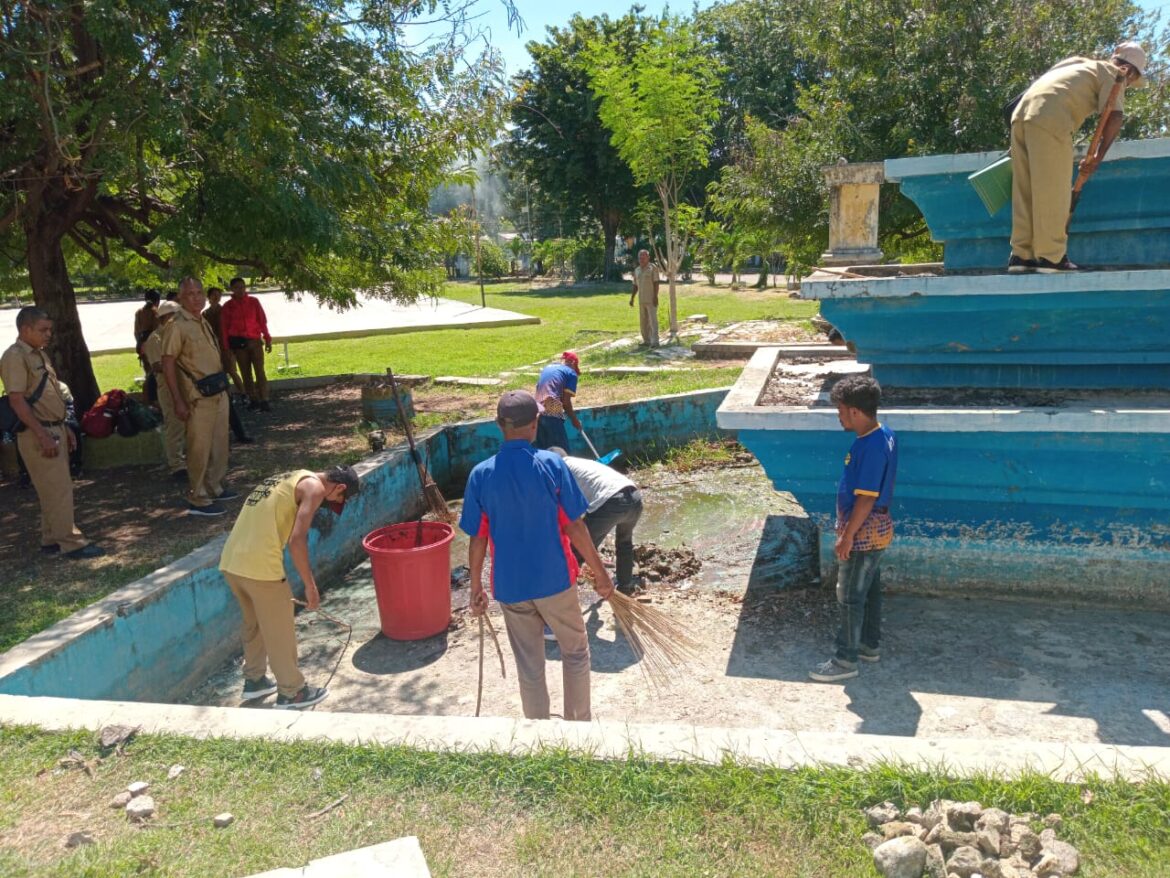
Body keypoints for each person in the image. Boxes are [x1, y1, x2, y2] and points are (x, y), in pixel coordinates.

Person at [461, 390, 615, 721]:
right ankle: (577, 725)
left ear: (499, 425)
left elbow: (478, 539)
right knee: (575, 653)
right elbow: (575, 527)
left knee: (529, 665)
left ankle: (539, 730)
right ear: (536, 424)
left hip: (510, 587)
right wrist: (601, 574)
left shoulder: (480, 475)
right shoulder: (551, 465)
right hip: (555, 580)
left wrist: (476, 587)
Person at [219, 464, 360, 709]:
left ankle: (254, 681)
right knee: (280, 630)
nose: (333, 502)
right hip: (260, 566)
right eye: (339, 498)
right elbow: (297, 539)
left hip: (232, 562)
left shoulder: (288, 476)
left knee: (255, 624)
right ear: (340, 487)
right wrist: (310, 585)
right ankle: (293, 692)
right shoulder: (314, 488)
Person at [1008, 42, 1146, 274]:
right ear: (1130, 71)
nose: (1129, 85)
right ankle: (1052, 257)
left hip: (1021, 115)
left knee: (1025, 189)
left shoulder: (1079, 63)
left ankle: (1021, 256)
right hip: (1051, 117)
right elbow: (1114, 117)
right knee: (1053, 189)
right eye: (1132, 81)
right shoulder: (1117, 74)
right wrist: (1098, 157)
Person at [810, 375, 898, 683]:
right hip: (877, 526)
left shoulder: (871, 446)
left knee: (848, 595)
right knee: (868, 589)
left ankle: (844, 659)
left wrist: (847, 537)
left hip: (864, 529)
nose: (839, 416)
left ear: (856, 412)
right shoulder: (884, 434)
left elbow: (865, 499)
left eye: (841, 410)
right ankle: (868, 645)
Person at [0, 307, 104, 559]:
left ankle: (50, 538)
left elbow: (52, 393)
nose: (48, 334)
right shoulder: (15, 357)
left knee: (53, 488)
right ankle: (71, 541)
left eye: (49, 329)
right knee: (58, 490)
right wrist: (43, 434)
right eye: (42, 330)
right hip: (38, 432)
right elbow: (16, 400)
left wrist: (64, 426)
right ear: (25, 329)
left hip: (53, 427)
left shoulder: (38, 355)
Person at [161, 276, 235, 516]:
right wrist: (178, 400)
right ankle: (198, 496)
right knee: (199, 447)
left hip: (217, 391)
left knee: (219, 442)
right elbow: (168, 363)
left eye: (199, 292)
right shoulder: (177, 325)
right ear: (181, 298)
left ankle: (215, 485)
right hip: (197, 396)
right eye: (190, 294)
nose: (197, 298)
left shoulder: (201, 321)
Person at [550, 447, 643, 595]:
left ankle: (565, 592)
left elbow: (569, 515)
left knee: (579, 548)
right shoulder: (582, 464)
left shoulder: (561, 469)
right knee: (624, 543)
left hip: (611, 501)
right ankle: (625, 587)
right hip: (635, 497)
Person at [143, 300, 186, 480]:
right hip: (168, 387)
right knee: (174, 425)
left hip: (184, 385)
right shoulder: (155, 338)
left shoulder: (178, 333)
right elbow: (157, 366)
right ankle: (176, 464)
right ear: (166, 317)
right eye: (176, 315)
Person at [219, 277, 272, 412]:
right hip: (239, 343)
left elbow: (262, 321)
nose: (240, 290)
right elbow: (224, 328)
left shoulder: (254, 302)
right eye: (237, 287)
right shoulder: (228, 306)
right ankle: (253, 399)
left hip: (254, 341)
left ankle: (264, 399)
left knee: (260, 371)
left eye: (242, 287)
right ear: (232, 289)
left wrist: (267, 338)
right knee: (245, 373)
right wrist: (227, 347)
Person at [203, 286, 246, 398]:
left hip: (226, 346)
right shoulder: (204, 314)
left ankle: (243, 394)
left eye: (219, 295)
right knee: (218, 372)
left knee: (231, 371)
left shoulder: (225, 311)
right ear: (209, 297)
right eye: (214, 295)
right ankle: (228, 395)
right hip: (212, 347)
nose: (216, 297)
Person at [534, 351, 581, 451]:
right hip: (551, 410)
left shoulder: (548, 368)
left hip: (536, 411)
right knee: (562, 453)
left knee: (543, 452)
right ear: (572, 363)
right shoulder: (571, 373)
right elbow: (566, 402)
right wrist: (574, 420)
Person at [629, 249, 661, 347]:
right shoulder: (637, 270)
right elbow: (635, 285)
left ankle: (655, 341)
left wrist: (655, 296)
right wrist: (632, 298)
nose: (641, 259)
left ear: (648, 258)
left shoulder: (652, 268)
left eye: (643, 256)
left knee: (652, 321)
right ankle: (646, 340)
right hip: (641, 299)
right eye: (640, 257)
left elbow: (656, 283)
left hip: (651, 298)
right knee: (643, 321)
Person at [133, 289, 160, 372]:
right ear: (158, 301)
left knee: (148, 372)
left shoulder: (139, 312)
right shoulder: (156, 312)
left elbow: (136, 332)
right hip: (154, 346)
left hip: (142, 345)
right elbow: (158, 331)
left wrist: (140, 344)